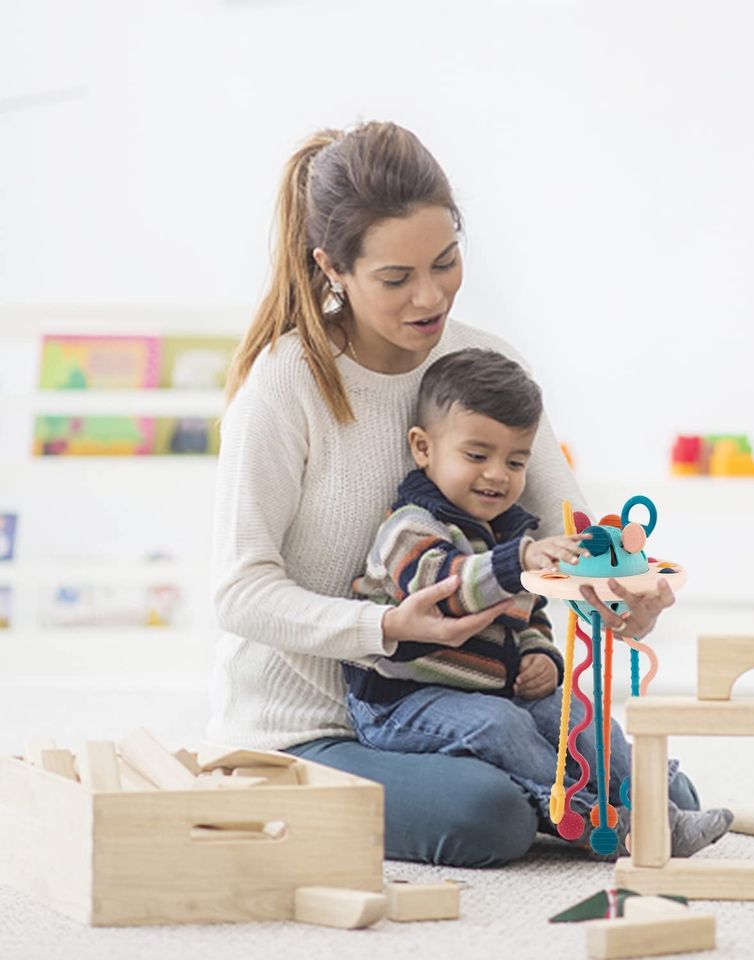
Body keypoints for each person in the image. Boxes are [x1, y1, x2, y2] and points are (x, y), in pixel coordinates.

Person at [209, 120, 723, 866]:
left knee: (667, 800)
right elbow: (239, 593)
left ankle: (571, 802)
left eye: (446, 262)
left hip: (472, 699)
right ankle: (554, 805)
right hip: (312, 727)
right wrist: (384, 628)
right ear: (332, 269)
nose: (430, 295)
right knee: (488, 819)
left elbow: (567, 529)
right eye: (395, 279)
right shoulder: (285, 384)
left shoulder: (484, 364)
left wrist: (621, 592)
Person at [344, 346, 732, 857]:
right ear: (423, 448)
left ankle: (656, 809)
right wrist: (519, 561)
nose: (497, 475)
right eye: (476, 456)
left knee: (579, 716)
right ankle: (610, 824)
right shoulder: (409, 526)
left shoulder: (508, 529)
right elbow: (446, 584)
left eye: (516, 460)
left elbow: (527, 614)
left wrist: (537, 654)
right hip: (402, 703)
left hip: (495, 690)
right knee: (502, 727)